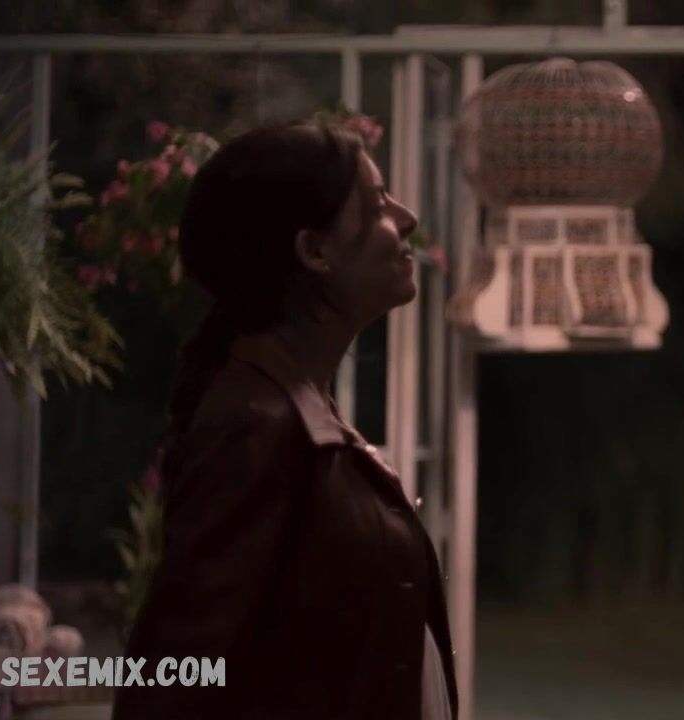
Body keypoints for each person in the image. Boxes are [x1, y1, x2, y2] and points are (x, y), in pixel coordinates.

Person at [112, 121, 456, 719]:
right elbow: (172, 674)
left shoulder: (300, 409)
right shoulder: (255, 426)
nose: (407, 218)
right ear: (314, 251)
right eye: (377, 204)